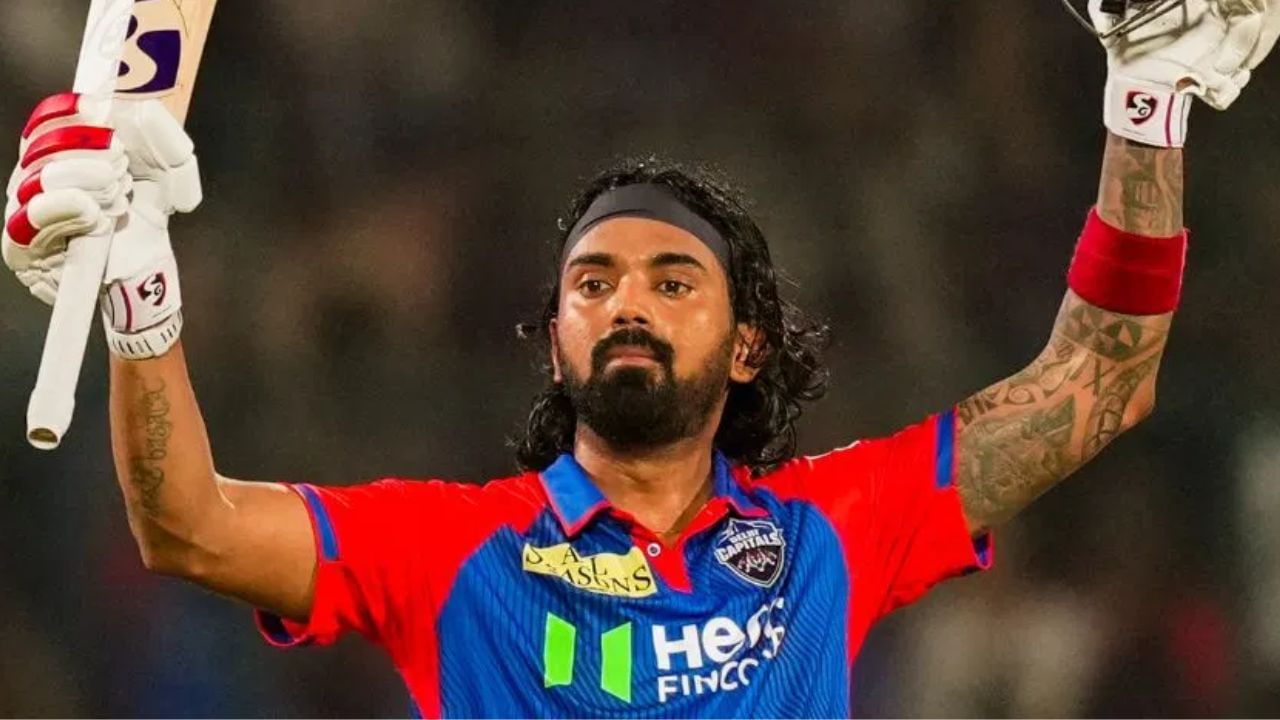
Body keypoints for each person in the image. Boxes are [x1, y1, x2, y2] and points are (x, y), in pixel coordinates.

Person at [4, 1, 1276, 717]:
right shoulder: (449, 554)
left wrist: (1144, 106)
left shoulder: (829, 533)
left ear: (745, 344)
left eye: (673, 282)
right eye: (592, 283)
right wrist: (141, 287)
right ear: (553, 338)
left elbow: (1100, 379)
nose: (626, 301)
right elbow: (186, 526)